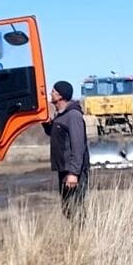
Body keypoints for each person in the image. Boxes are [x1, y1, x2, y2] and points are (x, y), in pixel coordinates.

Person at [42, 80, 90, 218]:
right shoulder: (60, 116)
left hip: (73, 172)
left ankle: (82, 237)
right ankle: (76, 238)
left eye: (54, 91)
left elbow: (78, 145)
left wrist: (74, 173)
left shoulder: (73, 116)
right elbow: (55, 134)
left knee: (75, 208)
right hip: (64, 170)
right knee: (67, 209)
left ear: (61, 95)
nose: (51, 93)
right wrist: (47, 125)